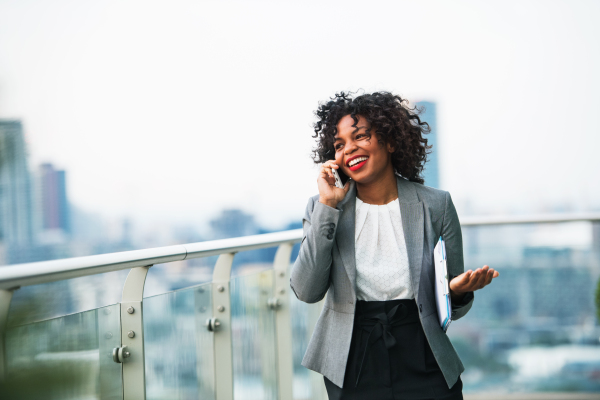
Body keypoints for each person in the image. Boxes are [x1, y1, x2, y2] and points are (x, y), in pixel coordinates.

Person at [290, 91, 499, 400]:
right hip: (352, 357)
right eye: (339, 145)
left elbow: (456, 306)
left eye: (360, 136)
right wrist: (328, 208)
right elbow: (306, 291)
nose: (349, 150)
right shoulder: (322, 208)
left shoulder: (435, 205)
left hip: (422, 348)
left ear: (389, 141)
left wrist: (456, 291)